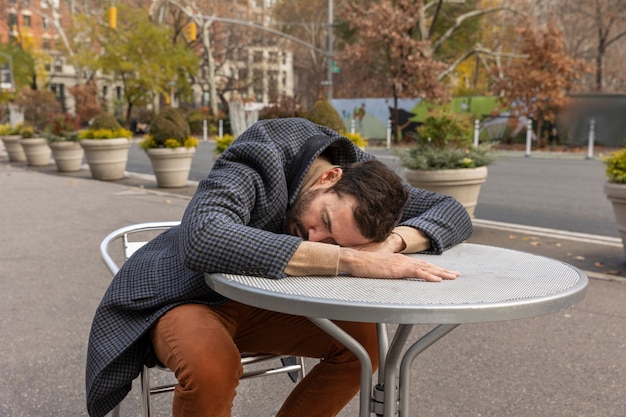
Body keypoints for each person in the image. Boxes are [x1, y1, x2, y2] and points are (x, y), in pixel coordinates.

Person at [86, 117, 472, 417]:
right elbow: (203, 237)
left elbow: (453, 210)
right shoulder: (261, 154)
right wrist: (350, 258)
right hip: (187, 295)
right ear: (328, 177)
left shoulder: (363, 180)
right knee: (212, 367)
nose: (315, 238)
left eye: (336, 240)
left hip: (267, 301)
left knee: (364, 346)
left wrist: (391, 244)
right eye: (324, 221)